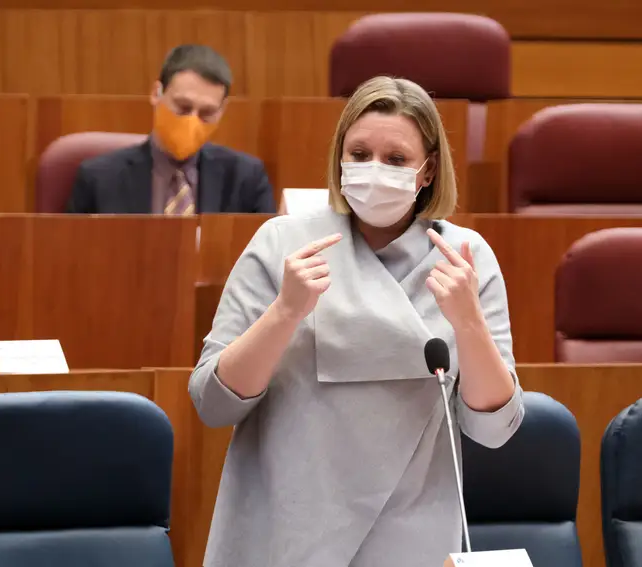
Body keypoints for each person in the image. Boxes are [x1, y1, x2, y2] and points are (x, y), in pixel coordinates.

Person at [189, 76, 524, 567]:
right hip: (284, 528)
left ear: (427, 170)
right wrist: (285, 312)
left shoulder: (464, 258)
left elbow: (495, 430)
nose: (374, 170)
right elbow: (213, 404)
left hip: (409, 533)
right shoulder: (281, 243)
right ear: (339, 158)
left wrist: (470, 325)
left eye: (395, 160)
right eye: (360, 153)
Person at [65, 45, 276, 215]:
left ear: (223, 110)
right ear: (156, 93)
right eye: (183, 107)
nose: (192, 121)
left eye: (207, 113)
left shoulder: (246, 178)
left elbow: (266, 261)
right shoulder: (99, 178)